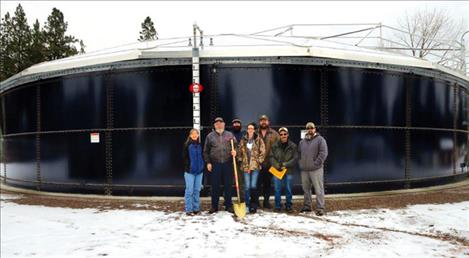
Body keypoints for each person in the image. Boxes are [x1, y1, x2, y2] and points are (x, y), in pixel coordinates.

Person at [203, 117, 237, 214]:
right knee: (215, 186)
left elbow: (236, 146)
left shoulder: (230, 135)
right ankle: (214, 206)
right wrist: (208, 162)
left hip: (227, 164)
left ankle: (228, 205)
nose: (219, 125)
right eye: (217, 123)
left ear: (224, 124)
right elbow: (206, 151)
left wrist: (235, 152)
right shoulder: (210, 136)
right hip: (215, 164)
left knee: (228, 186)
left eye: (220, 123)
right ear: (214, 125)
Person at [298, 122, 328, 216]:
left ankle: (320, 208)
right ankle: (307, 206)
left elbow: (323, 153)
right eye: (308, 128)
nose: (310, 129)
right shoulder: (302, 142)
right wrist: (301, 163)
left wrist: (316, 164)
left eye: (312, 128)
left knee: (318, 189)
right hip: (305, 170)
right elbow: (299, 153)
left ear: (315, 129)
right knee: (306, 189)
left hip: (316, 169)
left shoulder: (320, 140)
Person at [237, 122, 265, 213]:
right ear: (247, 129)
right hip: (245, 167)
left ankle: (254, 205)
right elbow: (239, 152)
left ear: (254, 129)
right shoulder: (243, 140)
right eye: (249, 128)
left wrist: (258, 161)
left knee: (253, 186)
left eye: (252, 128)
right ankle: (247, 205)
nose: (250, 130)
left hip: (255, 167)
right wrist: (241, 159)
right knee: (247, 187)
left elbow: (263, 151)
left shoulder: (258, 139)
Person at [270, 127, 298, 213]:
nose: (283, 136)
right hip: (277, 170)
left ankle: (288, 205)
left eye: (285, 134)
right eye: (281, 134)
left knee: (288, 189)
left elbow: (295, 158)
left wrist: (285, 164)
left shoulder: (293, 146)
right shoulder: (274, 146)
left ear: (287, 135)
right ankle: (277, 206)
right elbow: (271, 157)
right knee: (277, 189)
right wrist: (277, 165)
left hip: (288, 171)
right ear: (279, 135)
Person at [257, 114, 280, 209]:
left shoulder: (274, 134)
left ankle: (266, 202)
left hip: (269, 164)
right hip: (257, 164)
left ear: (268, 122)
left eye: (265, 120)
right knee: (257, 184)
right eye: (262, 120)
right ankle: (256, 201)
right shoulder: (254, 133)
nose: (263, 122)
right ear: (259, 122)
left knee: (267, 184)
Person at [182, 128, 205, 216]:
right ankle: (189, 210)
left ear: (198, 135)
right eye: (193, 134)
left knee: (197, 190)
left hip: (199, 171)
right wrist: (189, 166)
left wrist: (202, 166)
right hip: (190, 172)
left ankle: (196, 208)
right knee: (189, 190)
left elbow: (203, 155)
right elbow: (184, 158)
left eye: (196, 134)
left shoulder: (200, 144)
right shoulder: (187, 145)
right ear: (190, 135)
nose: (195, 135)